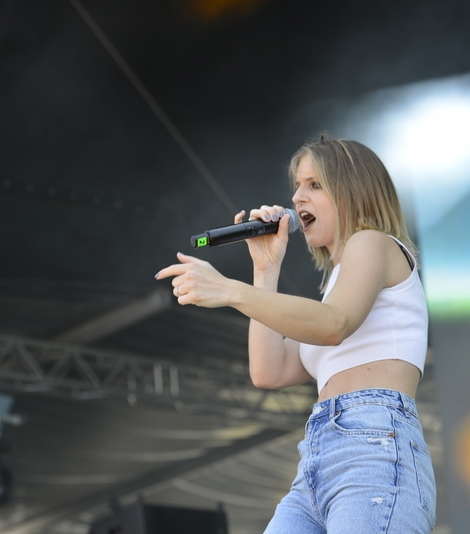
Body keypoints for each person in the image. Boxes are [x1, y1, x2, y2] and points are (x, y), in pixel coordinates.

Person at [155, 133, 436, 533]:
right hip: (318, 459)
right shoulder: (334, 289)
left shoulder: (373, 243)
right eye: (297, 186)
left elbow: (335, 324)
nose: (297, 197)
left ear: (353, 190)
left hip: (374, 445)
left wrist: (230, 290)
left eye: (314, 185)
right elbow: (269, 371)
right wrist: (265, 270)